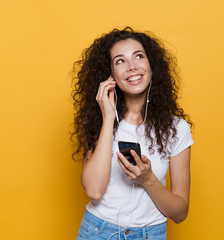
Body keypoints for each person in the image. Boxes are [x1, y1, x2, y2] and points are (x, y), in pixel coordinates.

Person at [71, 27, 193, 240]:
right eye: (120, 61)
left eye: (139, 56)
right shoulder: (98, 122)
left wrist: (148, 179)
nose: (132, 67)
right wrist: (107, 118)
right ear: (109, 75)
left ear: (151, 65)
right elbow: (94, 191)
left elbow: (180, 213)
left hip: (150, 234)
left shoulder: (177, 129)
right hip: (97, 232)